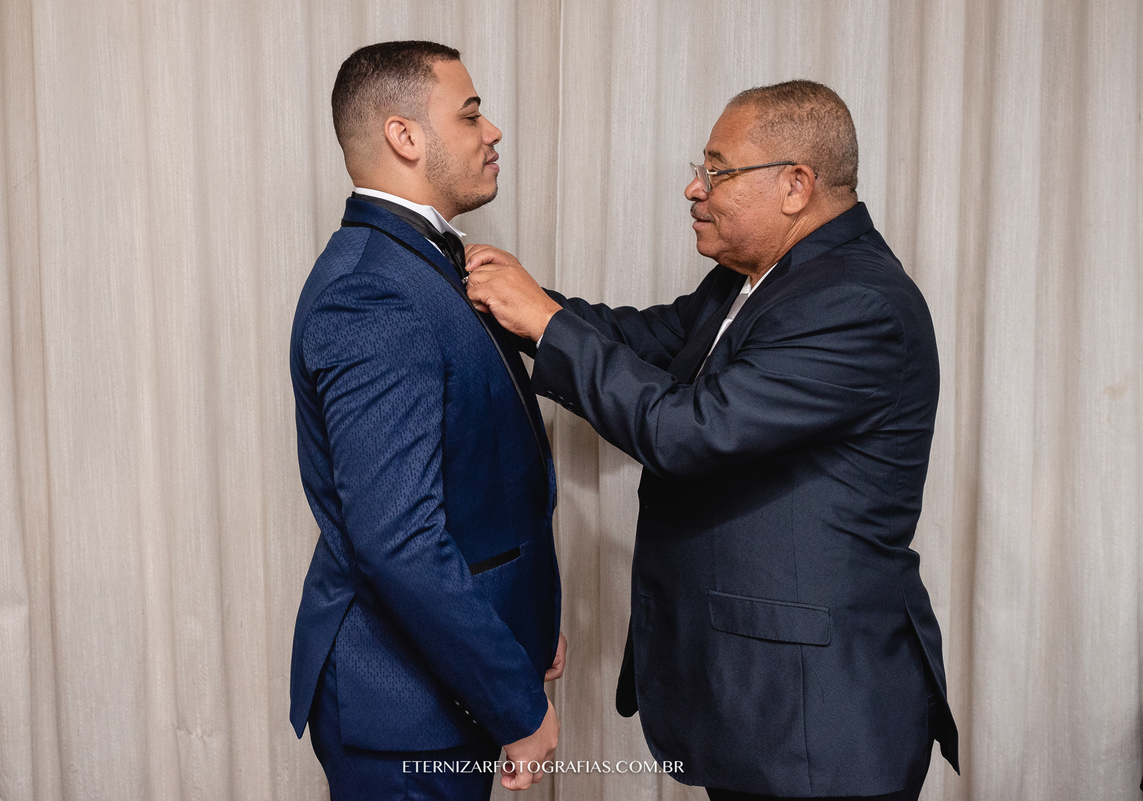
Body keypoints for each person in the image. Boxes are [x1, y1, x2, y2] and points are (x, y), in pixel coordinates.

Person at [465, 80, 960, 800]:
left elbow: (690, 430)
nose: (694, 188)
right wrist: (520, 303)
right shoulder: (754, 278)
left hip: (815, 721)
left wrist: (543, 321)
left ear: (795, 185)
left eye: (718, 170)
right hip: (758, 706)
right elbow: (639, 340)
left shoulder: (855, 302)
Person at [288, 40, 564, 799]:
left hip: (441, 688)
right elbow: (398, 539)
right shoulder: (373, 294)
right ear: (404, 136)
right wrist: (514, 700)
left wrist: (528, 623)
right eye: (471, 114)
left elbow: (480, 483)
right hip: (404, 710)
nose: (493, 131)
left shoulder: (420, 262)